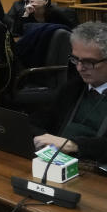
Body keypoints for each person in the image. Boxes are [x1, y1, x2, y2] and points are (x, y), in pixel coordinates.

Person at [31, 21, 107, 162]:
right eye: (76, 60)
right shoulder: (73, 87)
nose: (79, 68)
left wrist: (74, 145)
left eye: (89, 62)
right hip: (60, 162)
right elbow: (41, 120)